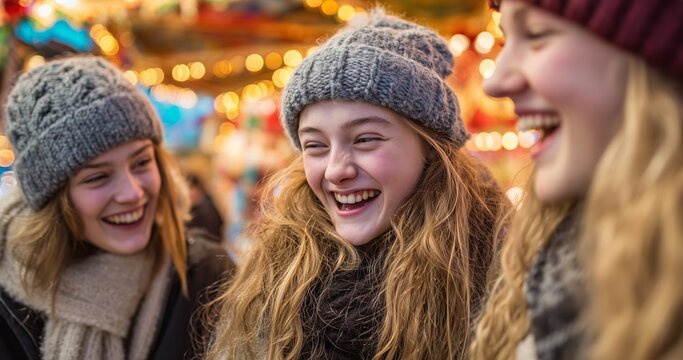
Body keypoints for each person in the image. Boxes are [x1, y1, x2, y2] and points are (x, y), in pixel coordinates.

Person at [206, 8, 509, 360]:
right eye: (315, 145)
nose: (336, 170)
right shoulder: (272, 279)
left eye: (365, 139)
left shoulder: (498, 279)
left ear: (429, 147)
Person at [471, 0, 683, 359]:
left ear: (656, 55)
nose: (494, 82)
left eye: (537, 34)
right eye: (505, 38)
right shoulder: (548, 267)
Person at [0, 56, 232, 360]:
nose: (132, 193)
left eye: (142, 162)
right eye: (98, 177)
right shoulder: (8, 303)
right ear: (52, 198)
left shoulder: (207, 276)